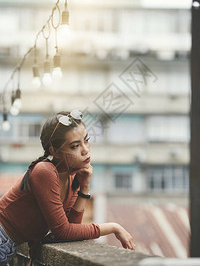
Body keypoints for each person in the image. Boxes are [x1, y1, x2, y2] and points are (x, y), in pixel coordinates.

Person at [0, 110, 135, 265]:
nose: (85, 149)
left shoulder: (73, 177)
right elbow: (63, 230)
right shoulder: (45, 171)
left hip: (8, 246)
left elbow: (71, 229)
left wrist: (84, 188)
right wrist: (113, 227)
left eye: (86, 140)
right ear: (54, 151)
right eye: (75, 146)